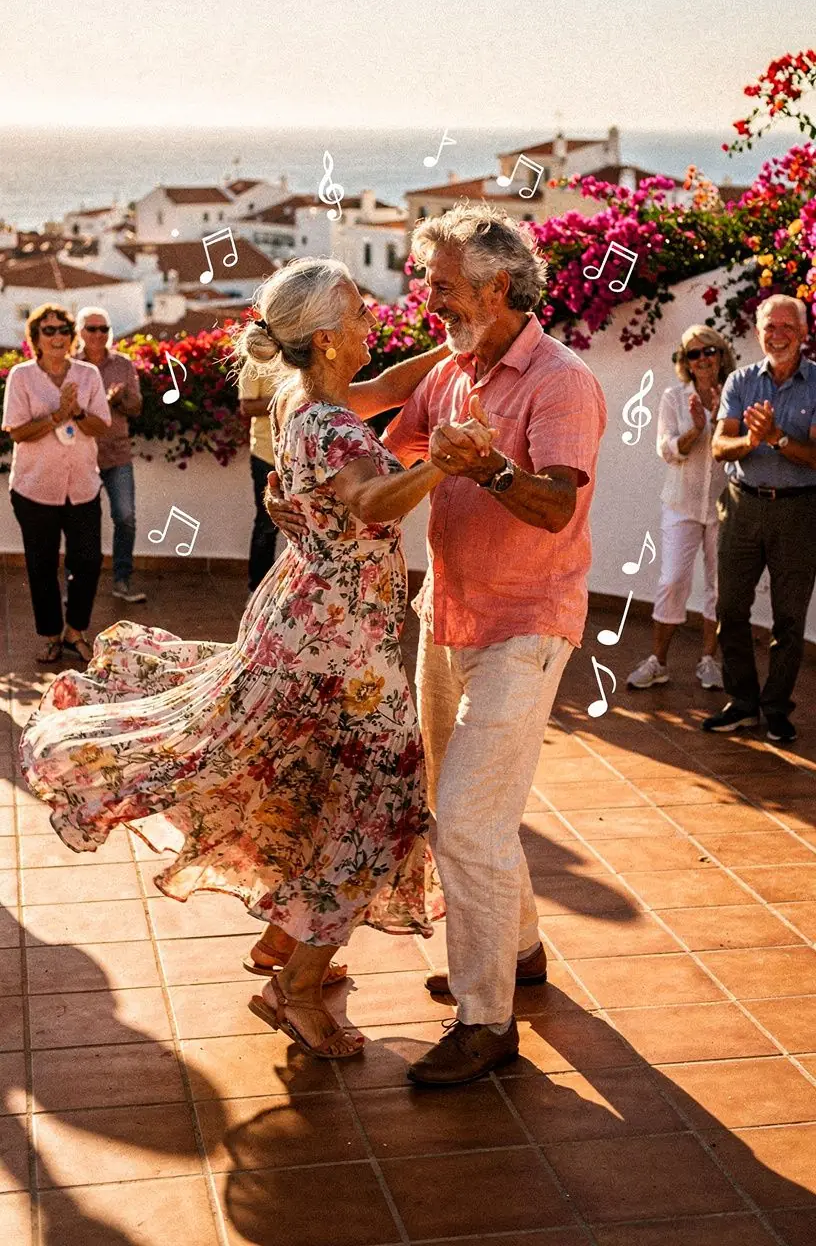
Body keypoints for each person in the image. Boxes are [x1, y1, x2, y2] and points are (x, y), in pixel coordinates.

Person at [19, 258, 478, 1062]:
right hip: (342, 651)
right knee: (378, 812)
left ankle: (281, 943)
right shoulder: (331, 425)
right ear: (329, 340)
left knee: (304, 782)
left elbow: (381, 392)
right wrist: (447, 461)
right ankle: (297, 985)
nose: (373, 322)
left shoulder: (309, 397)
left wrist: (455, 352)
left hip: (298, 623)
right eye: (361, 316)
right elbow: (372, 500)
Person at [267, 204, 607, 1085]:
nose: (429, 298)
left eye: (444, 285)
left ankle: (487, 1019)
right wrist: (297, 484)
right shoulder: (456, 371)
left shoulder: (560, 381)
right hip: (447, 617)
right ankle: (521, 950)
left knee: (465, 818)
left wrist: (486, 467)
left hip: (524, 627)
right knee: (472, 807)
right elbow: (377, 431)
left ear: (499, 286)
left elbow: (555, 505)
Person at [703, 294, 816, 744]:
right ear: (758, 332)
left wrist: (777, 437)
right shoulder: (740, 382)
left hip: (799, 511)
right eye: (770, 326)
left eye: (788, 326)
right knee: (730, 608)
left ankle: (776, 708)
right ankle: (743, 703)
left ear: (804, 333)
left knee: (789, 617)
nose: (778, 334)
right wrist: (753, 439)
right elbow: (719, 447)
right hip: (742, 504)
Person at [1, 304, 111, 665]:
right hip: (34, 488)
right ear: (35, 338)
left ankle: (74, 631)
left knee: (89, 561)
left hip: (82, 485)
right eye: (48, 330)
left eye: (63, 329)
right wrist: (56, 416)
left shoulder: (89, 374)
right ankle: (50, 635)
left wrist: (75, 412)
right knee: (41, 564)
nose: (57, 336)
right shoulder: (21, 376)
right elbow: (17, 432)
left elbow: (101, 425)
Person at [627, 325, 733, 692]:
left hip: (723, 506)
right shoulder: (674, 397)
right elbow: (667, 450)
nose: (702, 359)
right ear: (686, 362)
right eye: (693, 353)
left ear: (721, 355)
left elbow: (739, 447)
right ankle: (658, 662)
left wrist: (719, 420)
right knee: (672, 580)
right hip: (681, 504)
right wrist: (696, 430)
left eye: (709, 351)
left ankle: (709, 660)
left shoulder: (735, 393)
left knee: (719, 588)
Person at [75, 306, 146, 605]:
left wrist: (122, 399)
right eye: (92, 329)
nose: (98, 334)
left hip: (117, 453)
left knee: (125, 517)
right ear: (80, 332)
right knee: (78, 522)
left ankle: (122, 579)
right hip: (81, 454)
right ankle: (76, 584)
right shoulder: (71, 367)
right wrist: (104, 402)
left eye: (103, 329)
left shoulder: (123, 365)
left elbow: (136, 408)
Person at [238, 358, 280, 593]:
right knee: (266, 523)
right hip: (266, 456)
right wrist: (286, 400)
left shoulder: (300, 357)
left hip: (297, 456)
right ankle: (258, 592)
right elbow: (247, 406)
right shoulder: (256, 364)